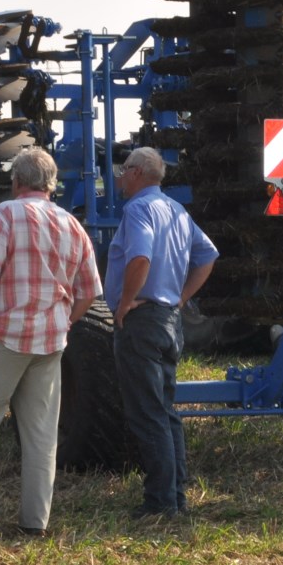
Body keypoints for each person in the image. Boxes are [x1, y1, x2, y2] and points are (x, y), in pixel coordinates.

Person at [0, 148, 99, 539]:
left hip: (4, 334)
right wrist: (64, 321)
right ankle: (35, 521)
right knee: (41, 433)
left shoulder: (6, 214)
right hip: (50, 340)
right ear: (51, 183)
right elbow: (89, 291)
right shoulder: (71, 223)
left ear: (17, 181)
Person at [106, 147, 218, 519]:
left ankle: (160, 503)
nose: (120, 176)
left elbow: (140, 257)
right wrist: (181, 298)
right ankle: (175, 496)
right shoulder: (177, 210)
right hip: (169, 319)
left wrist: (126, 301)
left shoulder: (138, 209)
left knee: (147, 412)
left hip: (142, 321)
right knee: (166, 411)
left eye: (124, 169)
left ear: (137, 172)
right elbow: (208, 255)